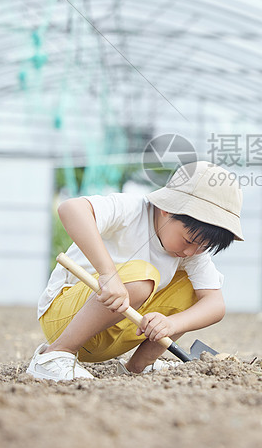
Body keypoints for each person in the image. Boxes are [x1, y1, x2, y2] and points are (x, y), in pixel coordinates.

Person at [27, 161, 243, 380]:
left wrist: (171, 324)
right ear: (167, 208)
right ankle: (55, 354)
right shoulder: (131, 209)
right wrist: (108, 274)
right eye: (188, 240)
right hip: (66, 321)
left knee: (193, 290)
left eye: (203, 246)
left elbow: (215, 304)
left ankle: (140, 365)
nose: (191, 252)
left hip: (113, 335)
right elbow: (70, 209)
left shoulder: (193, 254)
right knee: (143, 277)